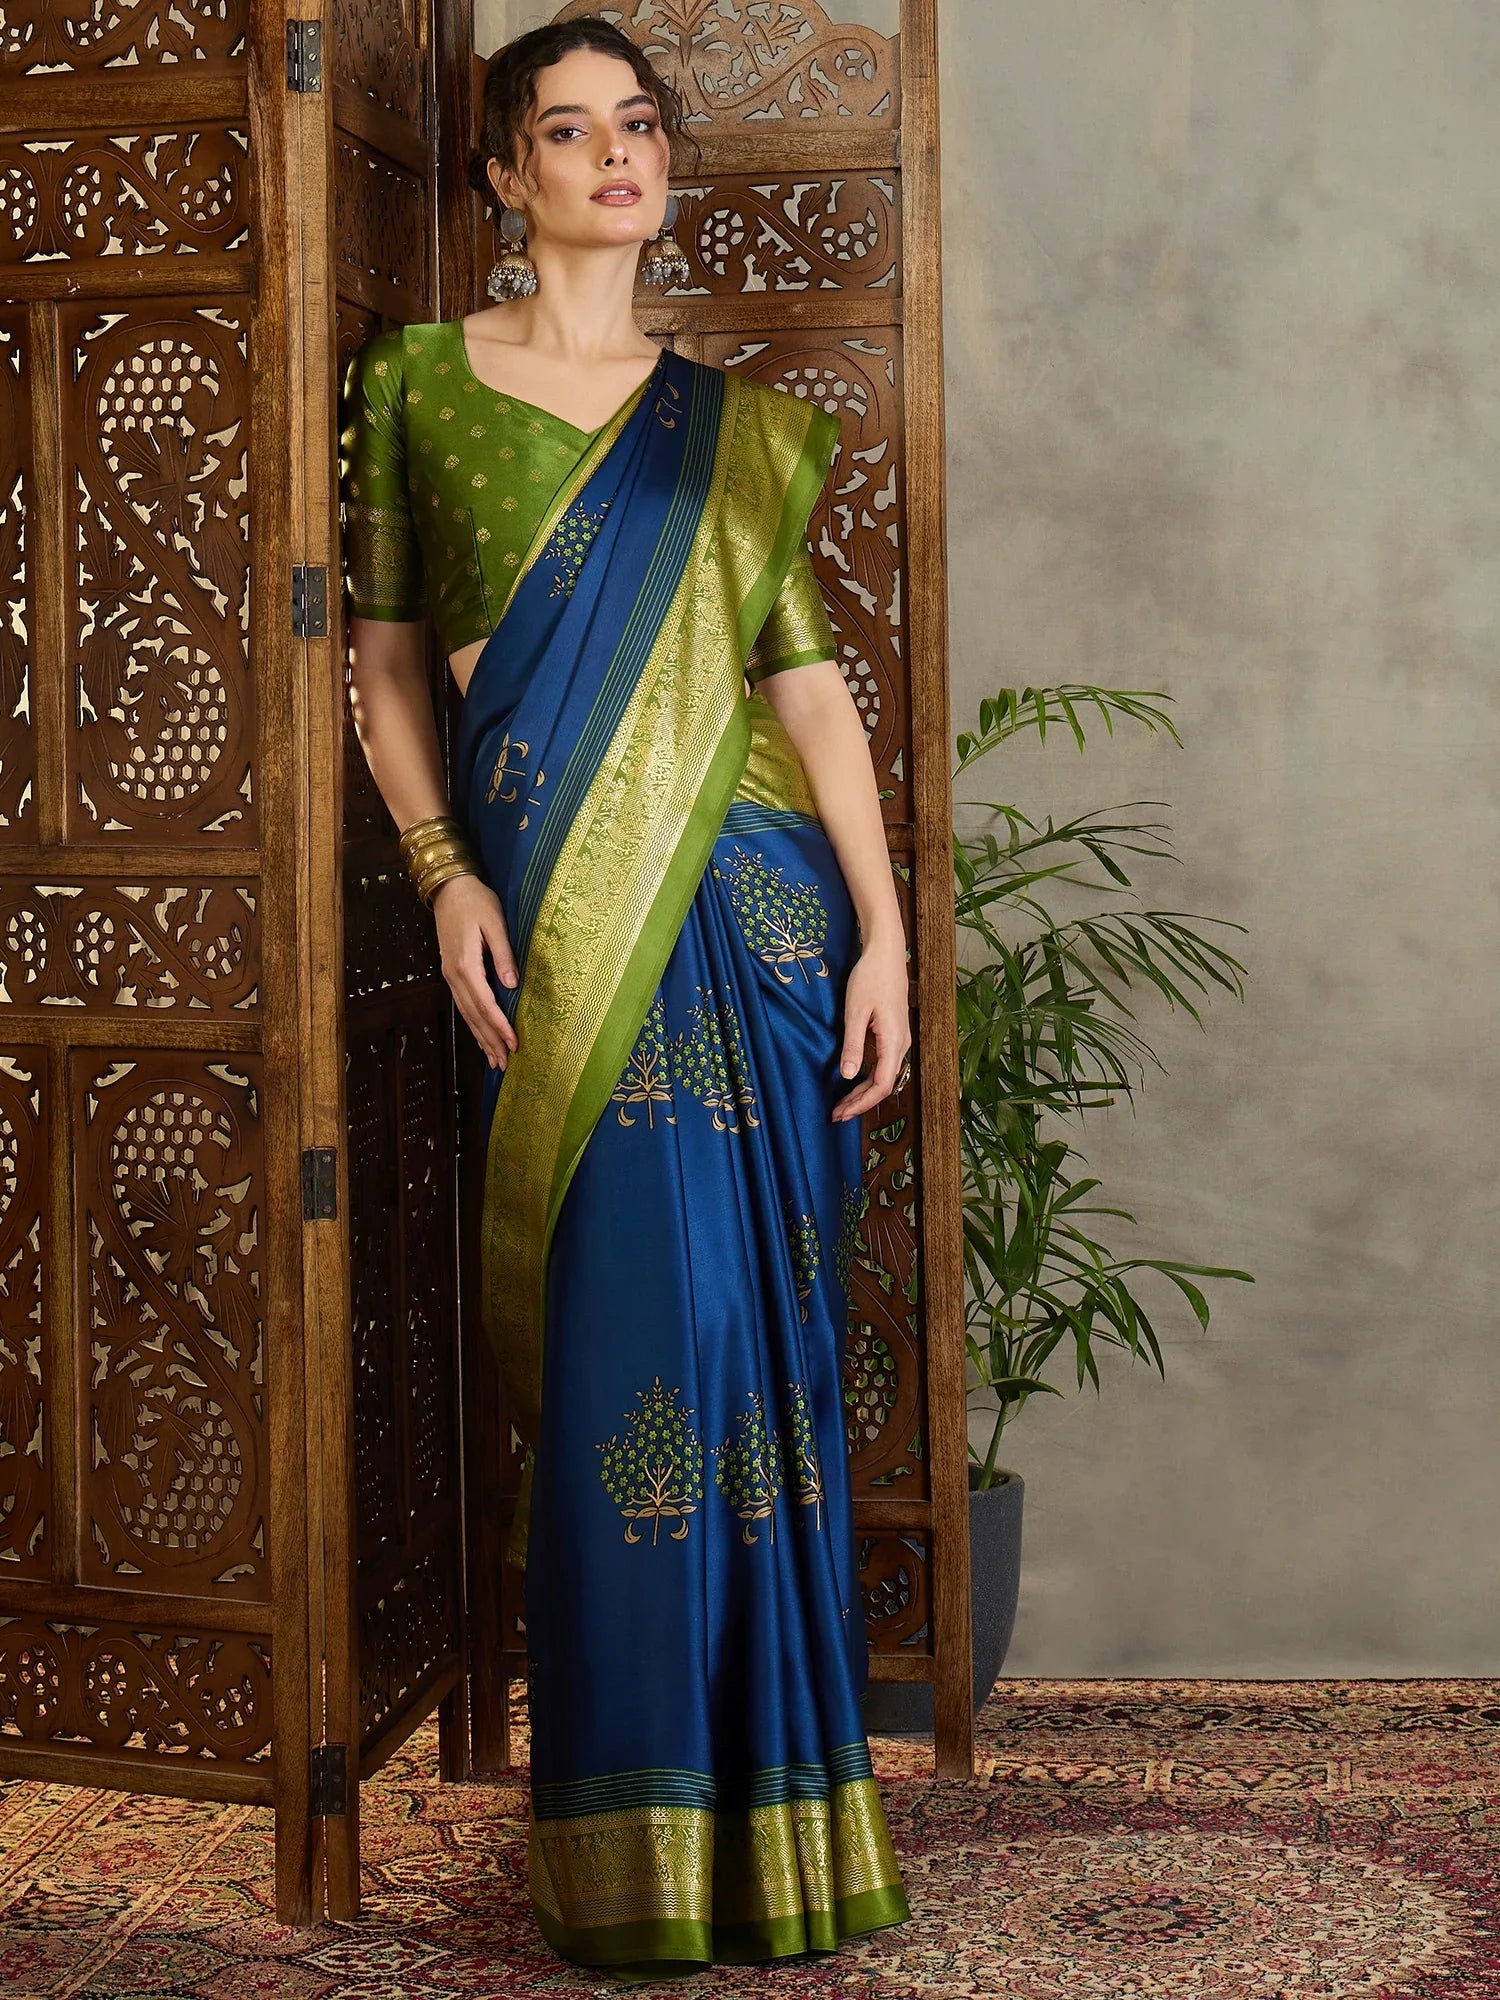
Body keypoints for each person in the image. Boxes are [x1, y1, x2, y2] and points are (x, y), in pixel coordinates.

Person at [337, 15, 913, 1974]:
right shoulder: (418, 382)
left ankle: (783, 1830)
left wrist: (884, 935)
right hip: (557, 935)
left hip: (755, 931)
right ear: (504, 175)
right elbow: (385, 665)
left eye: (638, 124)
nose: (614, 156)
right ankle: (633, 1851)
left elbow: (805, 692)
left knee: (757, 1353)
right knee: (622, 1367)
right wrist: (441, 875)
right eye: (568, 130)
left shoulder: (732, 428)